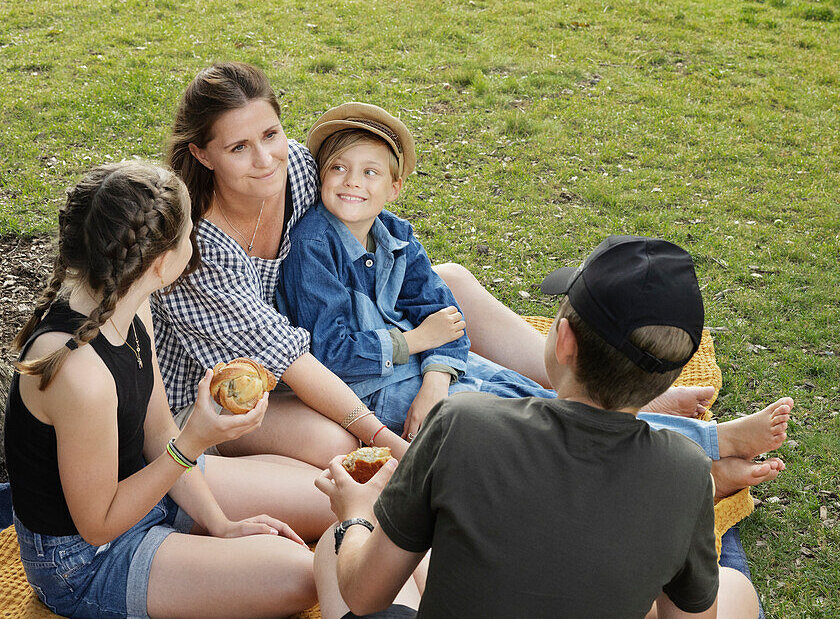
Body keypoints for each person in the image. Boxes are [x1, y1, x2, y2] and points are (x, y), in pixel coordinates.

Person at [151, 62, 721, 467]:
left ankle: (594, 394)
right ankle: (575, 436)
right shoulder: (199, 248)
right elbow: (295, 361)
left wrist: (435, 363)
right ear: (201, 154)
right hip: (242, 394)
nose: (265, 158)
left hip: (336, 343)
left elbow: (381, 251)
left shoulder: (302, 169)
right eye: (238, 148)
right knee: (345, 450)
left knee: (450, 282)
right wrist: (388, 431)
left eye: (270, 134)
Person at [276, 102, 795, 457]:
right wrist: (416, 342)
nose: (352, 182)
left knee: (543, 402)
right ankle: (704, 447)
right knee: (533, 427)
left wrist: (437, 376)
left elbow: (448, 320)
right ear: (321, 174)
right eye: (339, 168)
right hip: (371, 394)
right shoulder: (311, 247)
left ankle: (686, 442)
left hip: (423, 379)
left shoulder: (396, 233)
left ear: (395, 186)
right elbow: (330, 354)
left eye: (370, 172)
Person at [312, 236, 767, 618]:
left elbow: (362, 594)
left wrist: (356, 511)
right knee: (733, 587)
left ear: (564, 340)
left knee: (337, 552)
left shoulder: (460, 423)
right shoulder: (687, 473)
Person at [5, 162, 333, 619]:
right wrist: (196, 440)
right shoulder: (80, 375)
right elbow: (97, 526)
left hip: (144, 488)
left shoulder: (131, 305)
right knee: (302, 574)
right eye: (188, 238)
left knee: (331, 495)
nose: (194, 245)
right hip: (84, 561)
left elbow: (158, 430)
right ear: (161, 263)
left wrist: (220, 524)